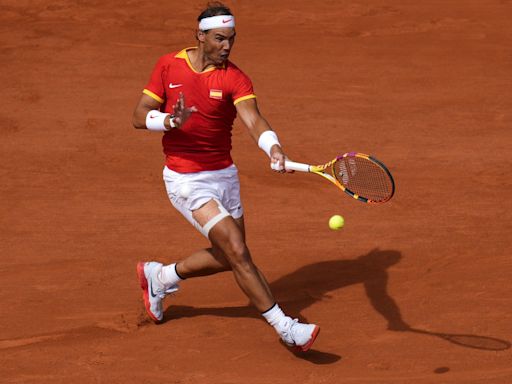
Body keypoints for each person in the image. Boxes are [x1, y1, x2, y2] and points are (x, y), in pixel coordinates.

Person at [132, 2, 319, 352]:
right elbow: (139, 115)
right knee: (236, 249)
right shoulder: (168, 65)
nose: (226, 47)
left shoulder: (234, 77)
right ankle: (285, 326)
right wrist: (170, 121)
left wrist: (274, 148)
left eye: (231, 39)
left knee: (230, 254)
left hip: (224, 175)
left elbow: (253, 120)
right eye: (219, 39)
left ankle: (161, 277)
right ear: (200, 36)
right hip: (185, 178)